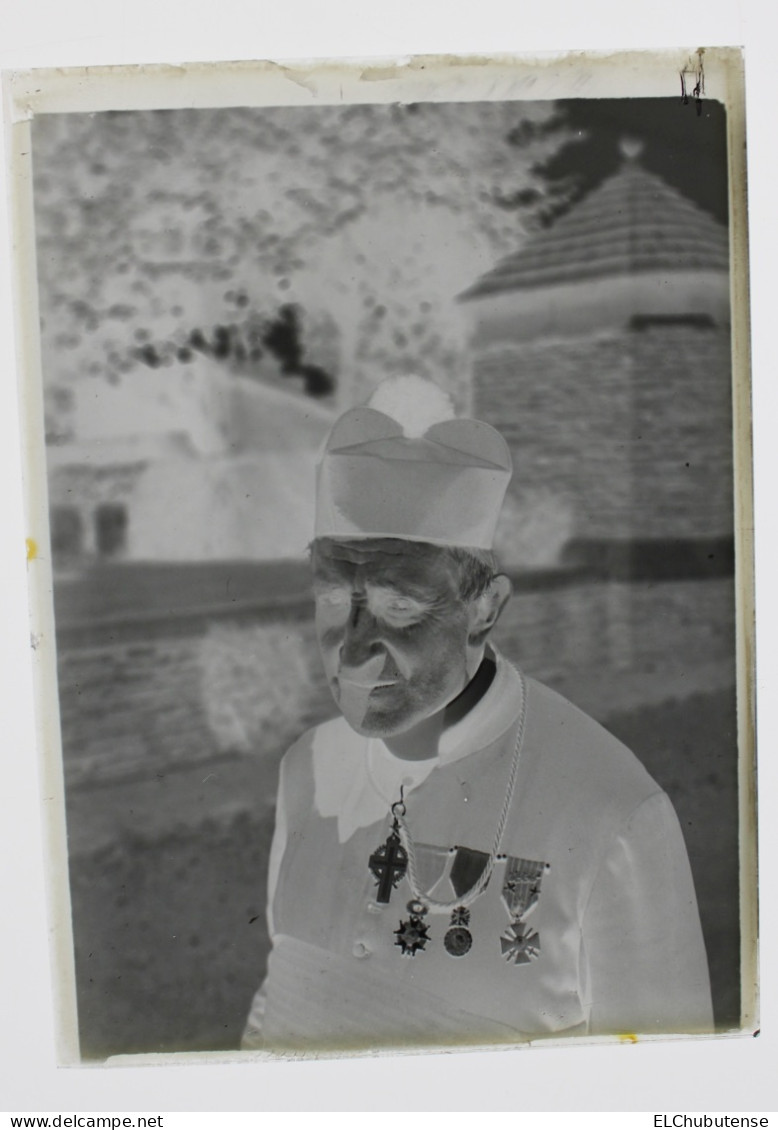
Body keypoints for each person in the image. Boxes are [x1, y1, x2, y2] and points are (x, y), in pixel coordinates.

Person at [242, 375, 713, 1052]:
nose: (351, 646)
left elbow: (665, 1093)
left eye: (399, 605)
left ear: (485, 608)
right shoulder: (306, 769)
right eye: (331, 595)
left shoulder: (613, 811)